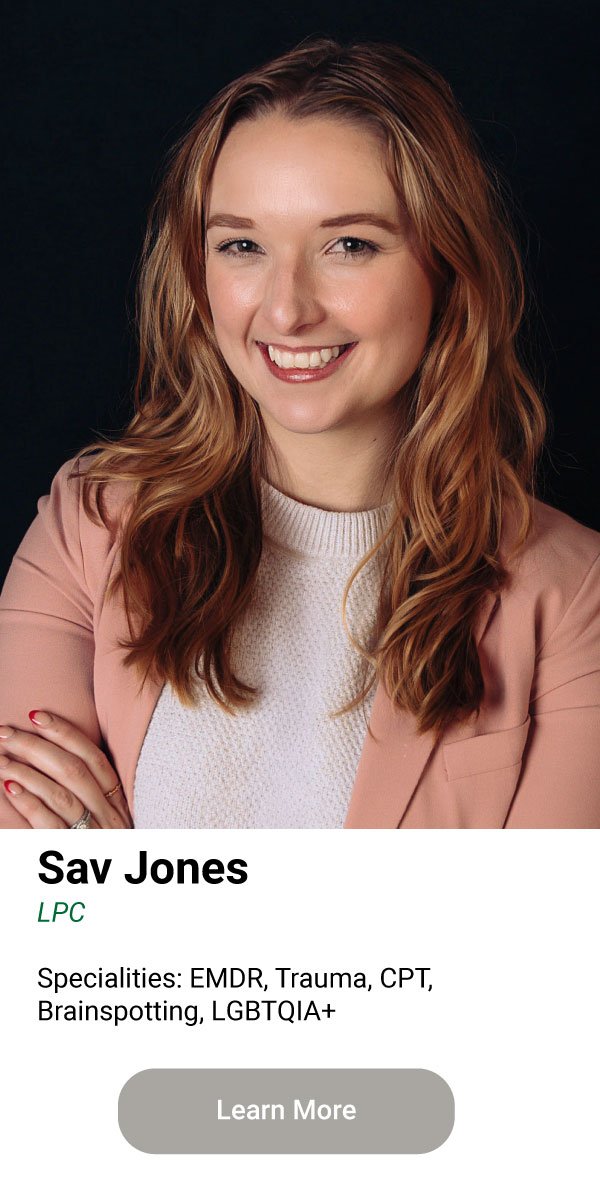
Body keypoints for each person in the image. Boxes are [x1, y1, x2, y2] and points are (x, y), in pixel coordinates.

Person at [0, 37, 598, 830]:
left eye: (349, 245)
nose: (286, 309)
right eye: (242, 245)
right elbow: (36, 925)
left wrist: (125, 895)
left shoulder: (572, 598)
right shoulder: (88, 528)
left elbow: (520, 952)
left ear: (446, 268)